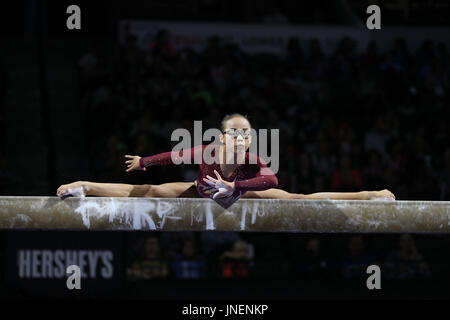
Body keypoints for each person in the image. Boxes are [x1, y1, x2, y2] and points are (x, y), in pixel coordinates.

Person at [57, 113, 395, 208]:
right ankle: (85, 185)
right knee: (148, 191)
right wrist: (144, 160)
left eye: (245, 132)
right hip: (199, 190)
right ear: (221, 138)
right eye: (233, 131)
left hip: (242, 195)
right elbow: (175, 155)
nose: (240, 136)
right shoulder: (207, 152)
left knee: (299, 202)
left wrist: (236, 185)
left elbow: (272, 181)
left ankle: (366, 195)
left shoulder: (252, 160)